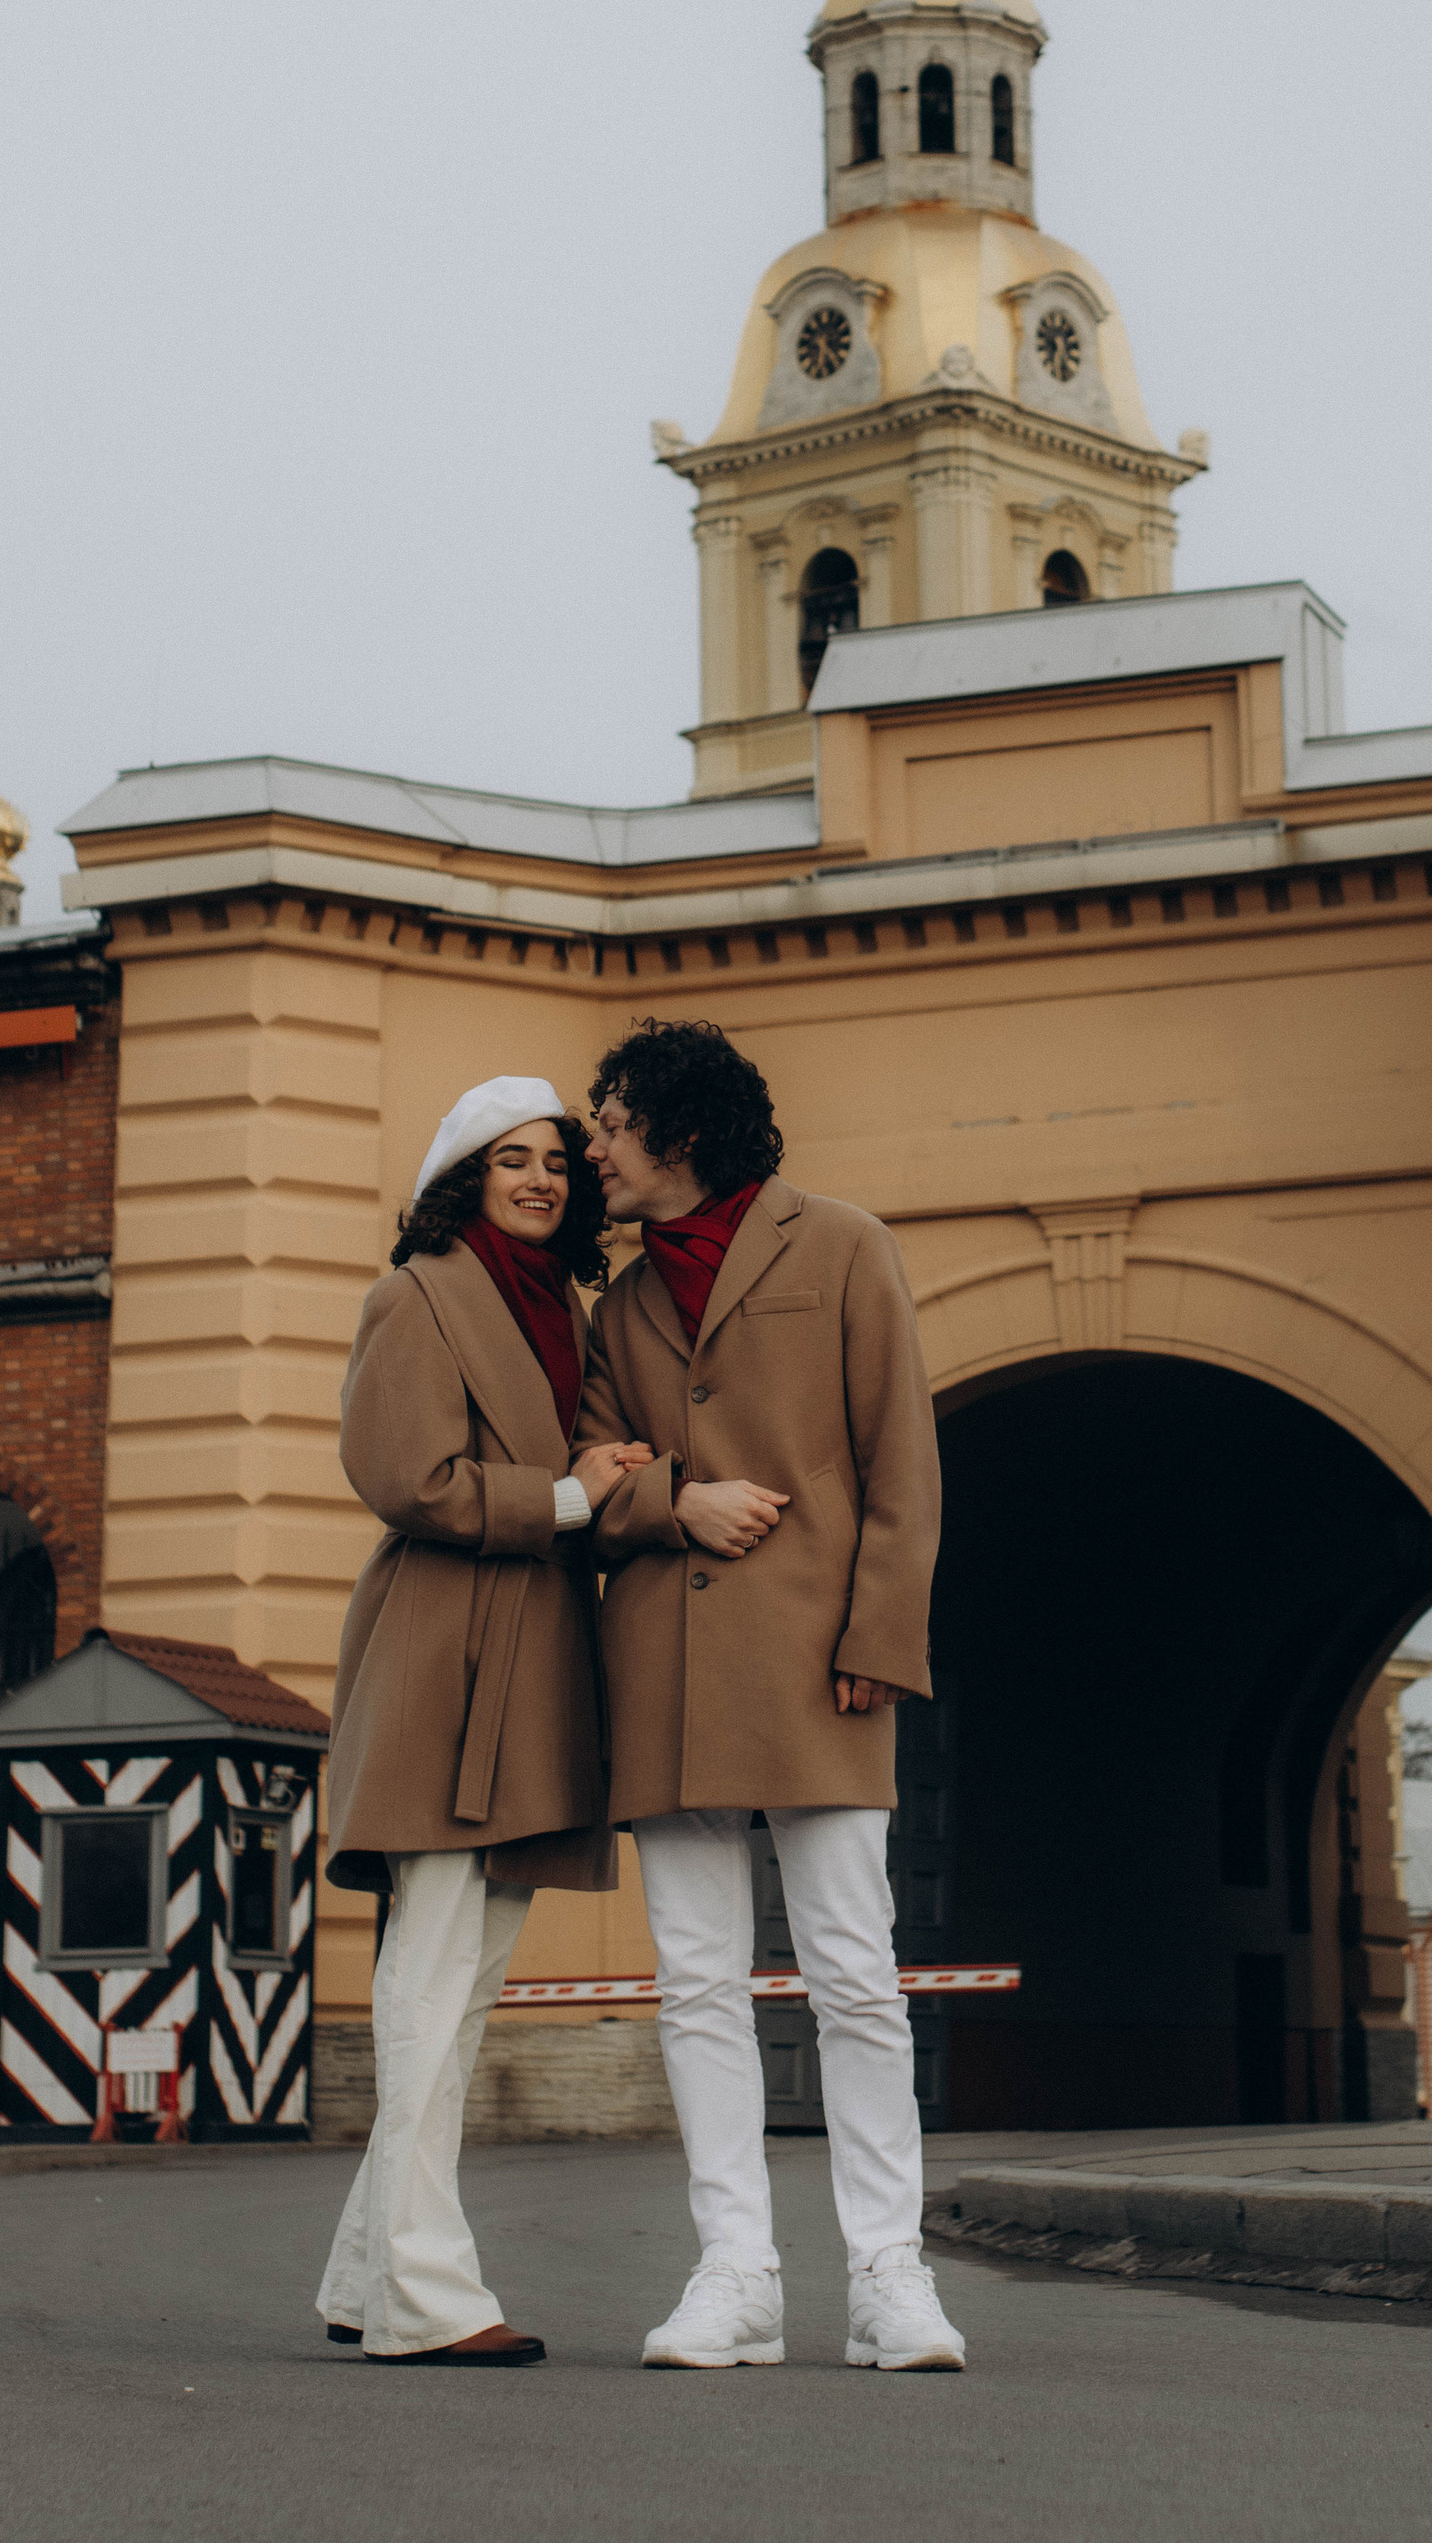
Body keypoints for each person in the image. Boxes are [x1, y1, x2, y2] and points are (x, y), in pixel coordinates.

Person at [585, 1017, 965, 2373]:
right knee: (696, 1986)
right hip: (666, 1674)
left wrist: (882, 1634)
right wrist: (670, 1499)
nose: (595, 1148)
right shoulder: (616, 1305)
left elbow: (899, 1462)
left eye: (612, 1123)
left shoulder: (844, 1245)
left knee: (855, 1979)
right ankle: (734, 2275)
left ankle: (889, 2279)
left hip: (822, 1665)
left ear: (679, 1132)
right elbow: (586, 1458)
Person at [316, 1075, 650, 2365]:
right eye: (511, 1158)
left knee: (456, 1995)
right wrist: (567, 1502)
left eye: (559, 1160)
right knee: (429, 1985)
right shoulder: (415, 1296)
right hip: (444, 1659)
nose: (542, 1178)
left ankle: (363, 2282)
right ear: (463, 1173)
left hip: (532, 1671)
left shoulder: (564, 1310)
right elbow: (404, 1477)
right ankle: (427, 2303)